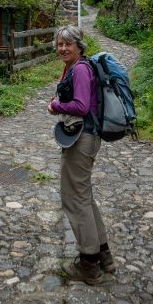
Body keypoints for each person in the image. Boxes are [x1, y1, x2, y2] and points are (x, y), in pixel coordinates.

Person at [47, 25, 115, 285]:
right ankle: (104, 255)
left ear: (79, 46)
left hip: (82, 138)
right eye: (60, 44)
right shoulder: (75, 68)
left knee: (74, 199)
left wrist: (56, 106)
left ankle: (88, 265)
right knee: (85, 197)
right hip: (83, 136)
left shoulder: (81, 70)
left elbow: (82, 106)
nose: (63, 48)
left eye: (68, 44)